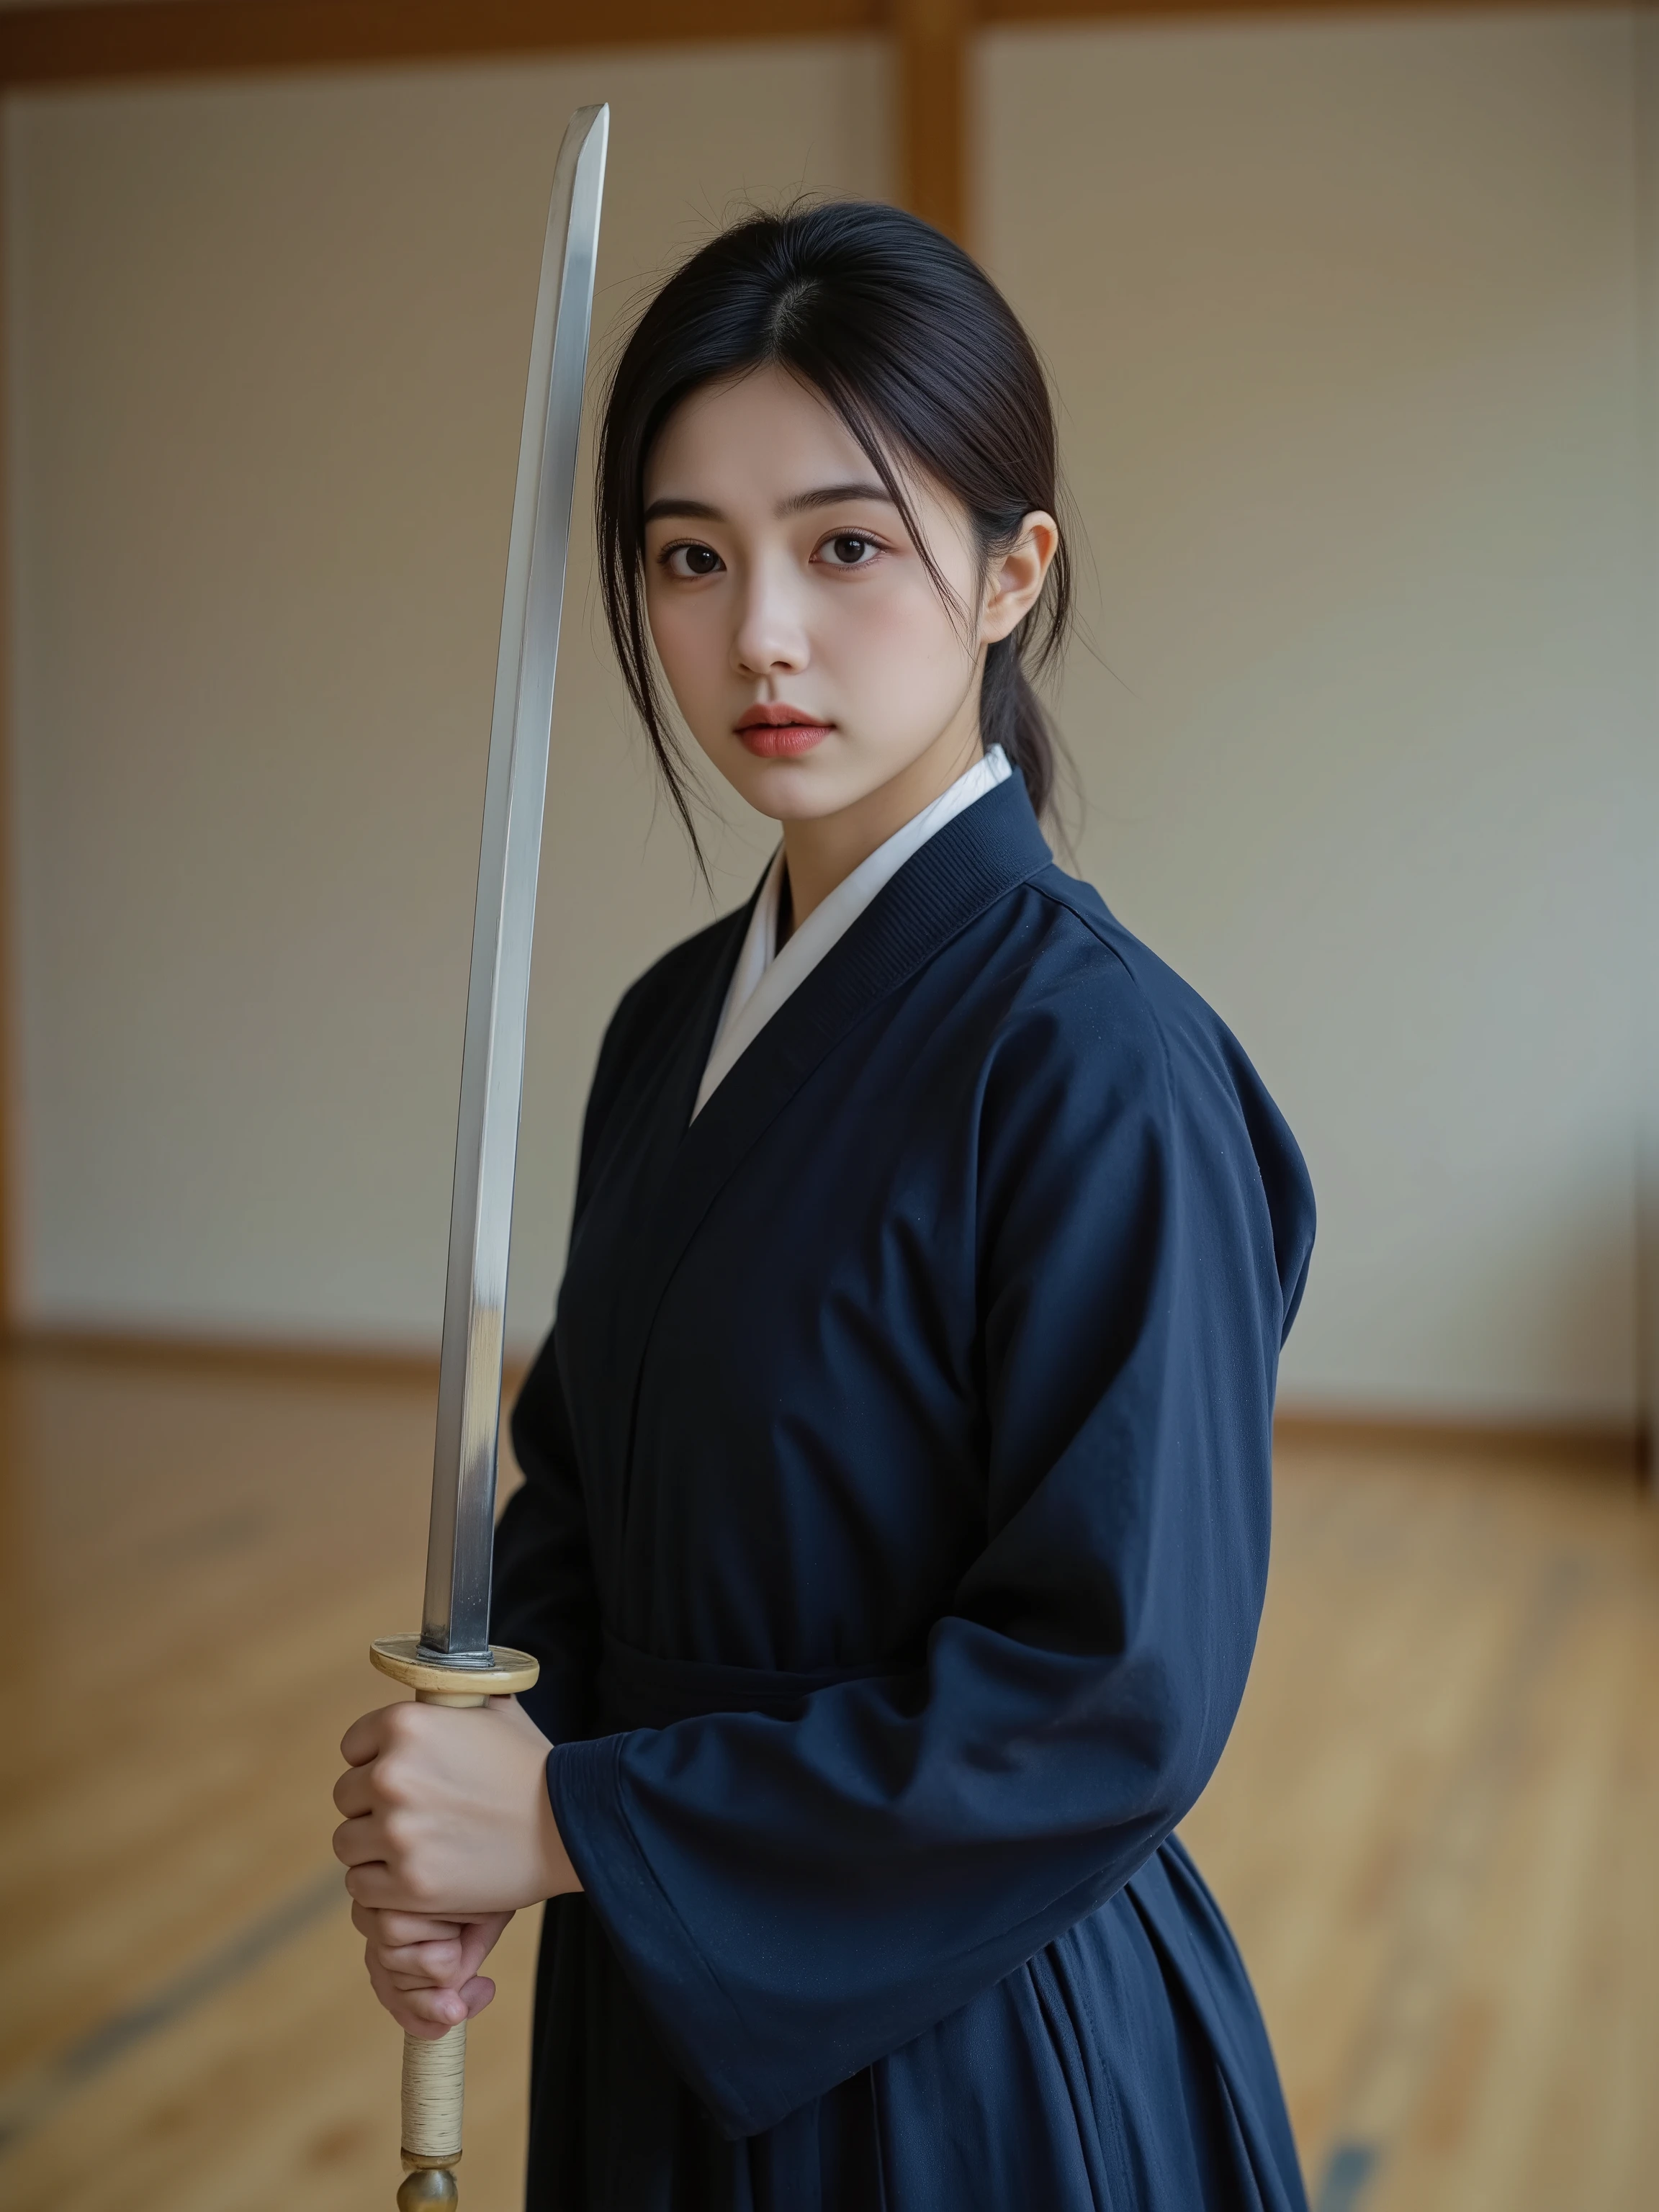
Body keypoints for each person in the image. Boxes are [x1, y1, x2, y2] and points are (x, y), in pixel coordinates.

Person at [333, 200, 1316, 2211]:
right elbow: (590, 1495)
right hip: (664, 1988)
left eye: (845, 543)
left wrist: (577, 1826)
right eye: (691, 559)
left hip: (970, 2062)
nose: (759, 633)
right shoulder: (667, 1023)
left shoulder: (1097, 1057)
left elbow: (1105, 1696)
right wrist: (476, 1783)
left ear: (1008, 572)